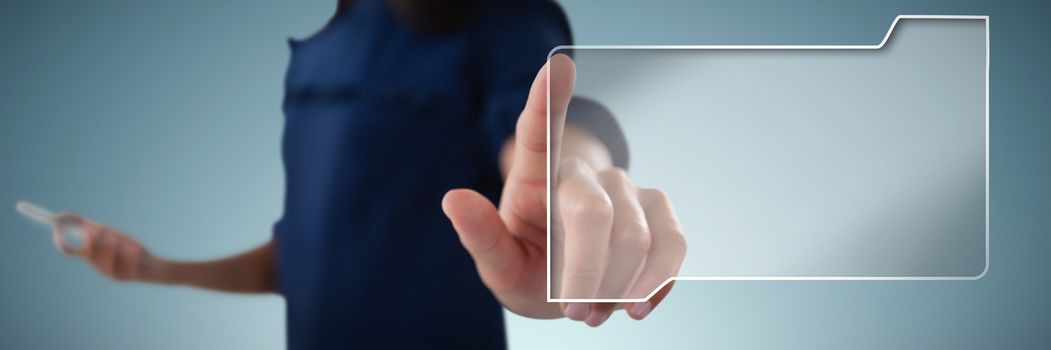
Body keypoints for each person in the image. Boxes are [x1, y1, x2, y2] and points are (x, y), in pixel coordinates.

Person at [52, 0, 686, 348]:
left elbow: (538, 136)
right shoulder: (325, 47)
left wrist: (576, 173)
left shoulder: (506, 25)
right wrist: (153, 268)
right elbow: (298, 258)